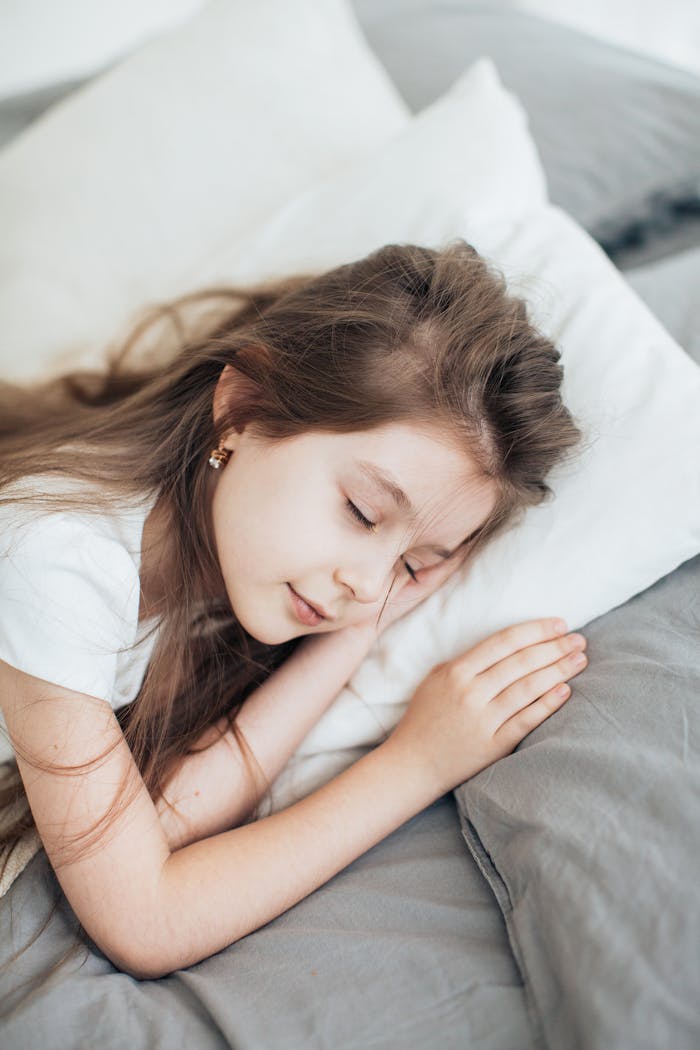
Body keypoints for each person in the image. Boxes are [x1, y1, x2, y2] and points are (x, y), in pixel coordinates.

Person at [0, 240, 586, 984]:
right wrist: (418, 763)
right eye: (363, 512)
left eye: (413, 564)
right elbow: (146, 918)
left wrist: (350, 641)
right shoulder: (55, 563)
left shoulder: (213, 563)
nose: (370, 585)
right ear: (242, 408)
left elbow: (155, 826)